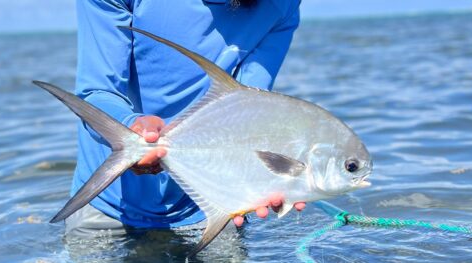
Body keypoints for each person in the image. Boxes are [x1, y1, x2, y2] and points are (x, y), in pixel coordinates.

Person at [66, 0, 305, 236]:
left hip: (211, 205)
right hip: (107, 206)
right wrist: (133, 130)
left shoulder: (283, 4)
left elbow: (245, 110)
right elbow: (98, 91)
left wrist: (266, 181)